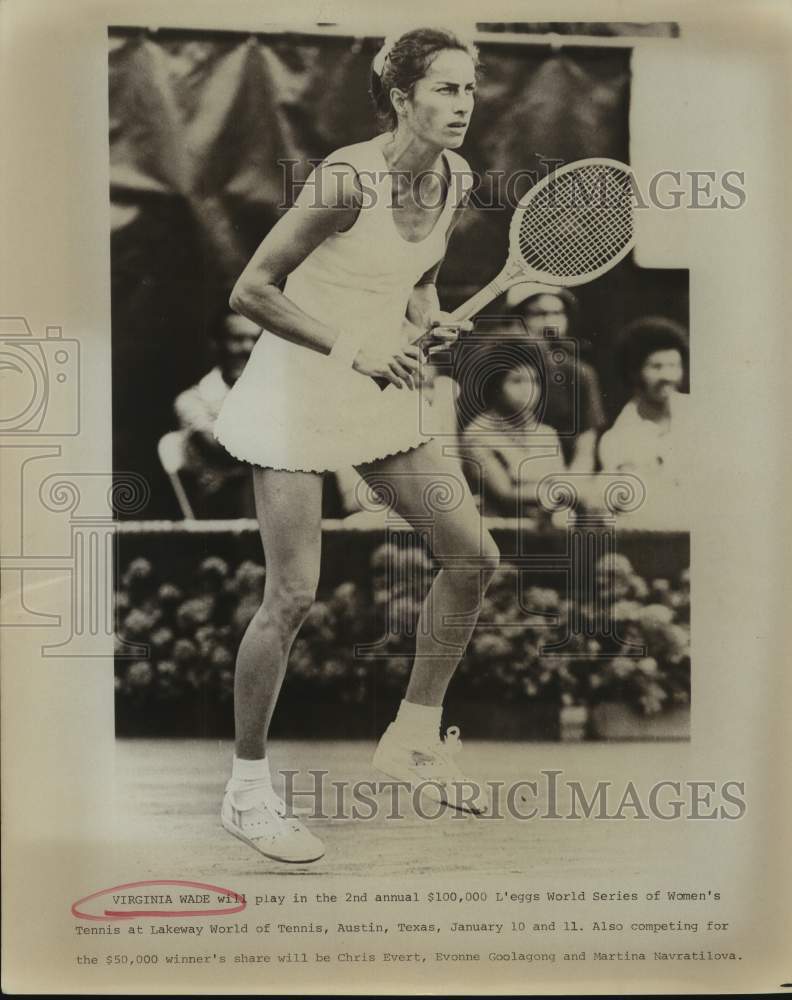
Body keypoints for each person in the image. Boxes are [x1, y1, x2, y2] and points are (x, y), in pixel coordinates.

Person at [212, 28, 499, 864]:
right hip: (296, 392)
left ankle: (412, 734)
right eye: (445, 90)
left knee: (471, 557)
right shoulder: (346, 178)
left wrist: (422, 320)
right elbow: (251, 290)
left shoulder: (457, 180)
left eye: (470, 91)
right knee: (294, 594)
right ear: (401, 96)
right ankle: (247, 791)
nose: (462, 106)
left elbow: (412, 277)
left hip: (379, 392)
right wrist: (355, 348)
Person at [505, 285, 607, 470]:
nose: (550, 322)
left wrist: (569, 487)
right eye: (539, 313)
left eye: (557, 313)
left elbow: (585, 447)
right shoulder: (499, 370)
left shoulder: (579, 373)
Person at [173, 309, 262, 517]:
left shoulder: (273, 393)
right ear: (216, 344)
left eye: (255, 340)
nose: (247, 348)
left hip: (270, 497)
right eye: (237, 339)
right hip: (223, 505)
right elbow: (220, 449)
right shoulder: (193, 400)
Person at [459, 347, 566, 519]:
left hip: (545, 525)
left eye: (534, 381)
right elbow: (504, 493)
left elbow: (559, 481)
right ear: (496, 387)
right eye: (517, 381)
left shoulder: (546, 434)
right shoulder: (478, 436)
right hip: (496, 527)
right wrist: (561, 493)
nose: (528, 390)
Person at [598, 316, 691, 497]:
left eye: (674, 365)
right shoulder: (618, 437)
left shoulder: (698, 413)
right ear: (634, 372)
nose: (667, 376)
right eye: (656, 367)